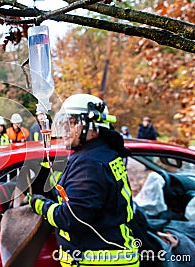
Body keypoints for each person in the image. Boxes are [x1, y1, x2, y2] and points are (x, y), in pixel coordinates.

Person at [27, 94, 139, 266]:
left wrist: (38, 205)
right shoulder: (103, 154)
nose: (64, 129)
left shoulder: (90, 164)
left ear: (93, 128)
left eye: (71, 123)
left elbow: (71, 218)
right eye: (63, 123)